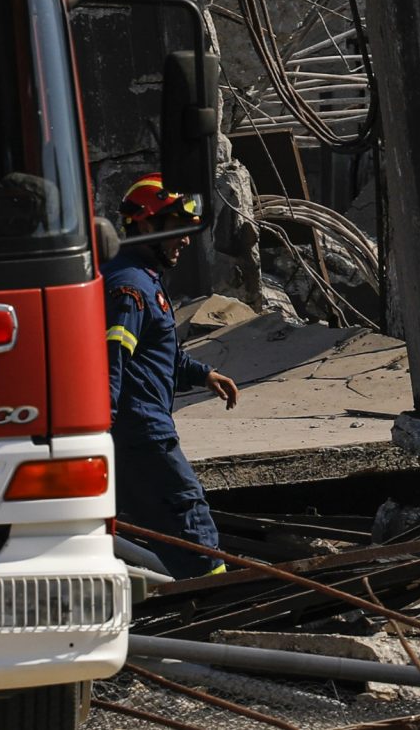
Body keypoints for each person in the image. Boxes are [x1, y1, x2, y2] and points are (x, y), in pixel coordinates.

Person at [104, 173, 240, 576]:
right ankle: (216, 606)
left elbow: (156, 355)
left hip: (136, 431)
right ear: (146, 226)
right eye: (178, 229)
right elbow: (110, 360)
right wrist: (102, 426)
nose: (185, 239)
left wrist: (203, 375)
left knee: (156, 528)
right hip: (142, 434)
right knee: (192, 526)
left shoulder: (143, 280)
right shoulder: (129, 287)